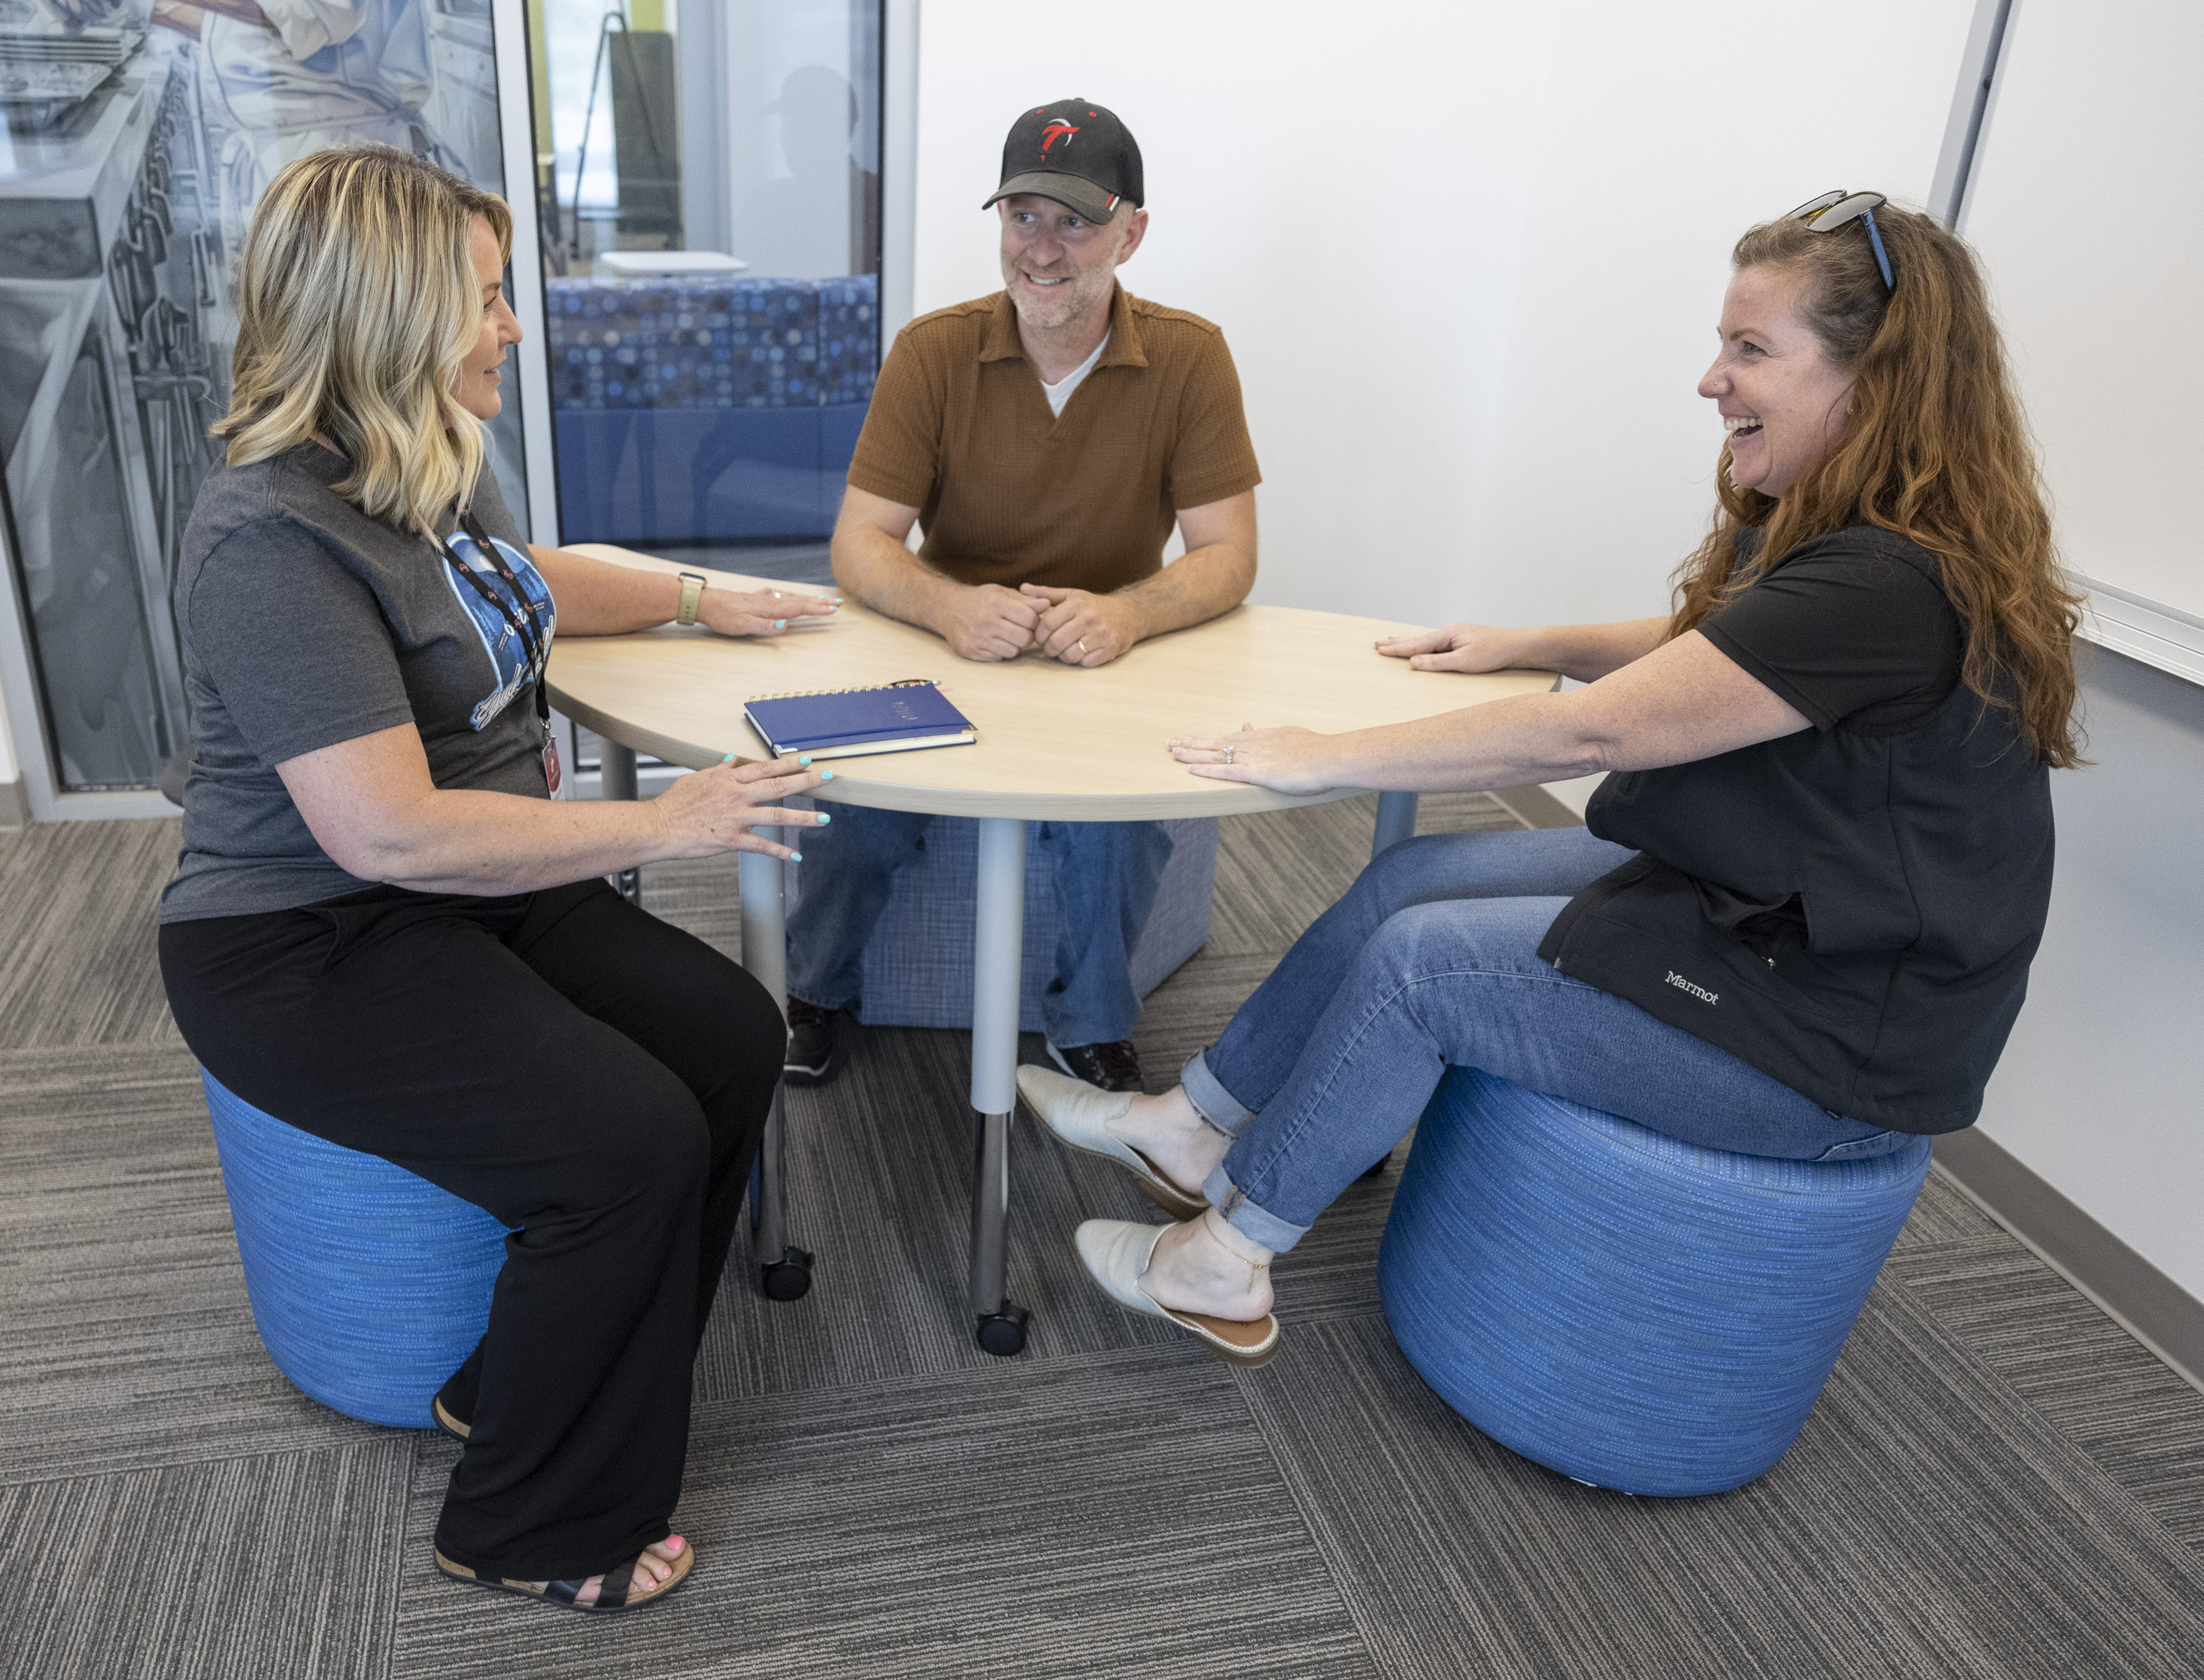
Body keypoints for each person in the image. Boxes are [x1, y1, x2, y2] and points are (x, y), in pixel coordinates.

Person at [1021, 191, 2081, 1365]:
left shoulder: (1888, 582)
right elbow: (1717, 649)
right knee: (1414, 879)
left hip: (1840, 1033)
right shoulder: (1843, 526)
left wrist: (1321, 757)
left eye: (1750, 350)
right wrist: (1528, 642)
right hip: (1782, 912)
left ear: (1870, 381)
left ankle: (1225, 1261)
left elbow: (1594, 740)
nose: (1710, 380)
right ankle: (1193, 1127)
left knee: (1426, 969)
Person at [157, 146, 839, 1611]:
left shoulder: (409, 461)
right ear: (393, 316)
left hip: (457, 888)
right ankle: (530, 1527)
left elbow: (517, 578)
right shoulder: (268, 538)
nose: (510, 330)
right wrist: (668, 827)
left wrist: (705, 599)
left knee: (729, 1038)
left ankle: (512, 1381)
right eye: (484, 301)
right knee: (626, 1146)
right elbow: (386, 833)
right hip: (305, 936)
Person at [785, 97, 1262, 1093]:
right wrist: (950, 607)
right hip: (950, 644)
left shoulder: (1190, 355)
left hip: (1104, 659)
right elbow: (860, 542)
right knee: (852, 809)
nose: (1044, 249)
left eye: (1075, 222)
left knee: (1118, 830)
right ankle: (812, 989)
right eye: (1023, 217)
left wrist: (1130, 612)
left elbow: (1227, 555)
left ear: (1131, 231)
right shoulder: (933, 349)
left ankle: (1088, 1023)